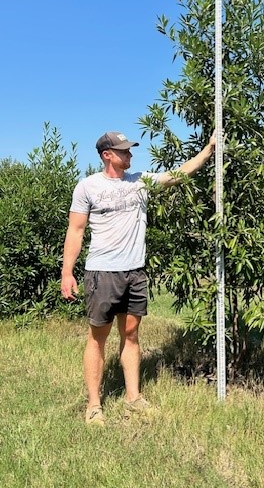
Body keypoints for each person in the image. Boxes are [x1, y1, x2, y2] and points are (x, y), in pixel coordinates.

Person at [61, 130, 215, 425]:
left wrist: (207, 150)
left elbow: (176, 175)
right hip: (102, 272)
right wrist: (67, 272)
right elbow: (76, 231)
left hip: (135, 272)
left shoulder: (140, 182)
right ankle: (94, 405)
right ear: (107, 155)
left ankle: (133, 398)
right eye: (124, 151)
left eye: (130, 150)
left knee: (131, 335)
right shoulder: (87, 187)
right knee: (97, 339)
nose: (130, 154)